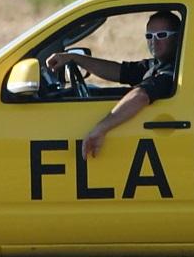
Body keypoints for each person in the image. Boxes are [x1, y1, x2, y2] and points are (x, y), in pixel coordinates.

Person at [45, 11, 181, 159]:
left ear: (177, 37)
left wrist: (101, 128)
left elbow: (141, 95)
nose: (154, 42)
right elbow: (118, 71)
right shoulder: (156, 64)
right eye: (149, 36)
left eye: (161, 35)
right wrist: (75, 58)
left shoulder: (174, 69)